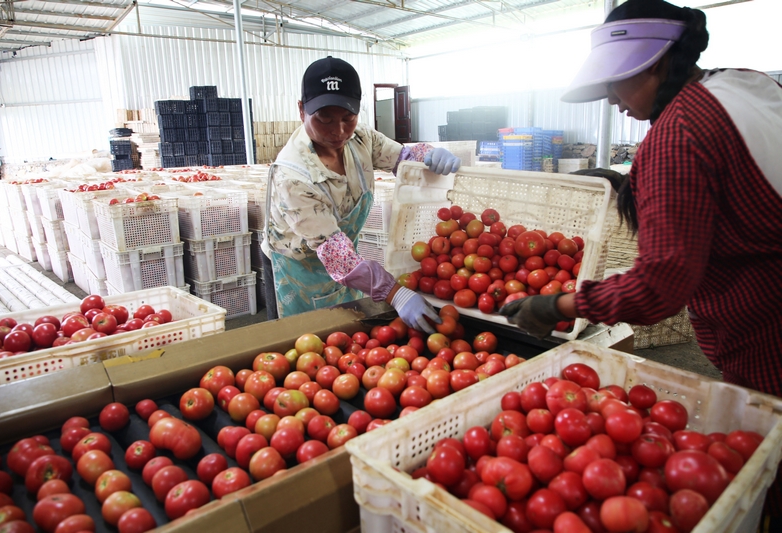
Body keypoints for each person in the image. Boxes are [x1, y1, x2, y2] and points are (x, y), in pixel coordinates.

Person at [500, 0, 782, 525]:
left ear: (657, 63)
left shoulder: (677, 133)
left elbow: (660, 286)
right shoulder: (740, 84)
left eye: (618, 81)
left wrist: (558, 304)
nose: (610, 98)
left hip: (769, 326)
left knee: (769, 469)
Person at [261, 56, 461, 332]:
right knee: (302, 340)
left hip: (346, 257)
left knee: (347, 332)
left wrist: (427, 155)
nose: (338, 131)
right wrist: (396, 293)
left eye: (348, 118)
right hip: (300, 268)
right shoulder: (293, 178)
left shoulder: (360, 138)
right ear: (301, 110)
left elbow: (401, 156)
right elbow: (336, 254)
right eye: (324, 119)